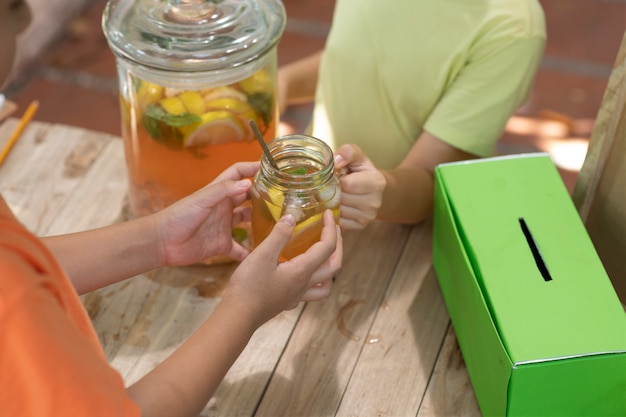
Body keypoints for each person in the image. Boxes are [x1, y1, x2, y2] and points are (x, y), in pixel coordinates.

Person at [0, 1, 343, 416]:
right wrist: (246, 307)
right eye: (13, 5)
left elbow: (18, 259)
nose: (26, 19)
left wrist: (160, 238)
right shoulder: (13, 304)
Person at [279, 0, 547, 230]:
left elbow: (431, 184)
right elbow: (352, 57)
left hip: (385, 233)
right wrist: (284, 82)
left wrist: (377, 190)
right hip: (311, 195)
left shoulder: (514, 28)